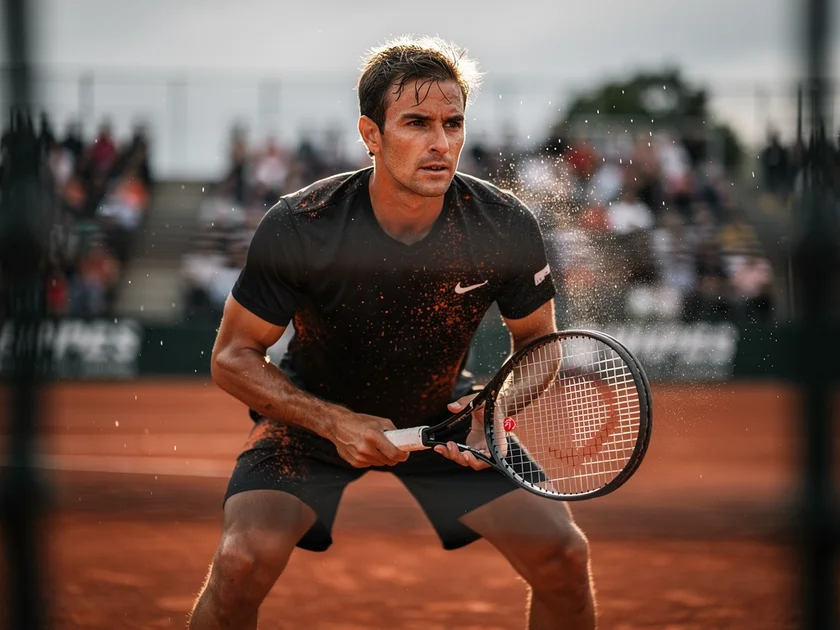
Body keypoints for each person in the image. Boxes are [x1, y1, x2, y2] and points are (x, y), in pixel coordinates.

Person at [188, 36, 596, 630]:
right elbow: (232, 356)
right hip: (309, 423)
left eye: (453, 123)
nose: (441, 143)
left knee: (563, 556)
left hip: (446, 423)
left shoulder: (503, 225)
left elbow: (538, 344)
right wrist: (334, 421)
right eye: (417, 123)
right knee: (240, 562)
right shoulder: (303, 224)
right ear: (371, 134)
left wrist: (493, 411)